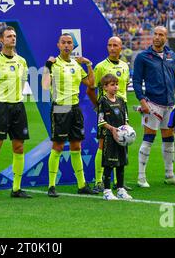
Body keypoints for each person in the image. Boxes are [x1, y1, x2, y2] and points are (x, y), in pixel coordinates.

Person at [133, 26, 175, 188]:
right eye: (155, 34)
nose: (157, 37)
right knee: (148, 138)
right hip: (153, 104)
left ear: (166, 37)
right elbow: (136, 81)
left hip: (170, 105)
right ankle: (141, 177)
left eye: (161, 34)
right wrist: (142, 101)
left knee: (169, 139)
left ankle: (169, 174)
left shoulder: (171, 55)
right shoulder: (143, 57)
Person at [42, 33, 96, 197]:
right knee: (58, 146)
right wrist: (46, 66)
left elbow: (91, 84)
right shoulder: (53, 63)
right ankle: (51, 186)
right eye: (63, 42)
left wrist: (89, 64)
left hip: (75, 108)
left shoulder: (76, 64)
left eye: (69, 43)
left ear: (73, 46)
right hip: (60, 108)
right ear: (58, 45)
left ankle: (82, 184)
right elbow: (45, 86)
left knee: (76, 146)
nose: (66, 45)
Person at [0, 26, 31, 201]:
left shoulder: (22, 62)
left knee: (19, 147)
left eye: (14, 36)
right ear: (1, 40)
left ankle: (16, 188)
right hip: (1, 107)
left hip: (18, 106)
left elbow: (24, 81)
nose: (13, 39)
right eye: (9, 36)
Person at [87, 36, 130, 193]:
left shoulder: (125, 66)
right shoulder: (100, 67)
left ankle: (119, 183)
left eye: (115, 45)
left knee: (121, 143)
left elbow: (124, 89)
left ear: (121, 47)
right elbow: (91, 88)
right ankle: (99, 181)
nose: (112, 48)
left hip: (121, 109)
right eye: (110, 45)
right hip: (107, 110)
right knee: (103, 145)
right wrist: (98, 106)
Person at [97, 74, 132, 200]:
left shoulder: (121, 100)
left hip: (122, 138)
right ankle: (107, 191)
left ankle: (120, 189)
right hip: (109, 137)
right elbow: (101, 121)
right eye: (112, 85)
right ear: (105, 87)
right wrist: (112, 129)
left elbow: (126, 118)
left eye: (116, 84)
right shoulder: (102, 101)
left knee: (121, 163)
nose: (115, 87)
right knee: (109, 164)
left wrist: (127, 130)